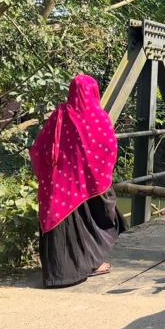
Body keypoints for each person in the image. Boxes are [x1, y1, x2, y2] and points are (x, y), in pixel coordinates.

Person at [30, 75, 126, 288]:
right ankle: (92, 263)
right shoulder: (99, 117)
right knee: (98, 218)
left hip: (60, 185)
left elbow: (40, 148)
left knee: (65, 219)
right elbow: (109, 148)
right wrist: (92, 173)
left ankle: (59, 273)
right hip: (89, 183)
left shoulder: (60, 115)